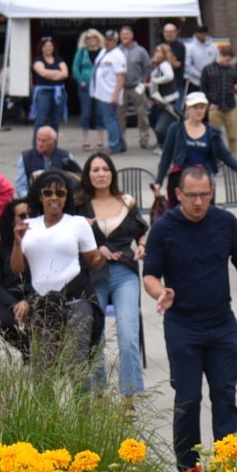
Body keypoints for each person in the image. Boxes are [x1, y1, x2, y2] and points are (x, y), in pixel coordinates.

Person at [141, 164, 237, 471]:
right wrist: (160, 293)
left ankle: (226, 466)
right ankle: (188, 470)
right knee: (188, 399)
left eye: (204, 195)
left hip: (222, 325)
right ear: (178, 194)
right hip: (183, 327)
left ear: (213, 193)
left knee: (225, 397)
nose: (198, 202)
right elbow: (150, 275)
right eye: (192, 195)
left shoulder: (225, 222)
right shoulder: (163, 229)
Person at [14, 170, 106, 364]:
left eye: (60, 193)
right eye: (48, 193)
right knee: (42, 367)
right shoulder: (28, 225)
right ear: (40, 197)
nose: (54, 197)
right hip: (42, 303)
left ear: (66, 197)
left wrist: (102, 255)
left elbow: (93, 261)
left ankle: (85, 395)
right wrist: (16, 242)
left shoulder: (78, 223)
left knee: (76, 362)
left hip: (75, 298)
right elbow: (17, 269)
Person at [78, 154, 149, 402]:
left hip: (124, 272)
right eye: (95, 169)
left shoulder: (127, 201)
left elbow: (142, 230)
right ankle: (98, 395)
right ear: (88, 174)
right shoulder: (79, 204)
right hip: (92, 274)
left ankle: (128, 396)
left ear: (112, 173)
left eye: (105, 169)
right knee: (94, 336)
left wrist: (142, 245)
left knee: (129, 335)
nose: (100, 174)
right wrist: (94, 248)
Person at [155, 93, 237, 196]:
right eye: (195, 107)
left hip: (204, 180)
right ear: (188, 109)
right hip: (181, 180)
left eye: (202, 107)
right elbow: (166, 157)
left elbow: (225, 155)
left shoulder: (211, 132)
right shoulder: (176, 129)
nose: (199, 111)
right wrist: (159, 181)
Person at [0, 197, 35, 353]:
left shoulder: (40, 243)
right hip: (6, 298)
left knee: (45, 317)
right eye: (22, 216)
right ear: (11, 220)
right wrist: (14, 304)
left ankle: (37, 352)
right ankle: (28, 352)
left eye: (31, 216)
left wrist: (28, 301)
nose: (27, 220)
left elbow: (46, 278)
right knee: (4, 321)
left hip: (35, 295)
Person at [16, 125, 81, 196]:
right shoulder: (25, 157)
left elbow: (75, 182)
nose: (40, 144)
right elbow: (21, 186)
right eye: (38, 140)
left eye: (44, 141)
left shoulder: (66, 157)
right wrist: (30, 199)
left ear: (54, 142)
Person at [92, 34, 129, 155]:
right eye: (106, 39)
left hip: (110, 93)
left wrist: (115, 94)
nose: (107, 42)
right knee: (111, 119)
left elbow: (121, 76)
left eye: (110, 40)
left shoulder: (118, 55)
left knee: (110, 120)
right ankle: (120, 143)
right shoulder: (103, 52)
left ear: (115, 41)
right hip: (101, 93)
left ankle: (114, 145)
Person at [72, 29, 105, 147]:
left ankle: (100, 140)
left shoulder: (103, 52)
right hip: (85, 86)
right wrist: (80, 81)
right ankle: (86, 140)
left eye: (94, 37)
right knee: (86, 112)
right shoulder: (81, 52)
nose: (91, 40)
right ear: (84, 40)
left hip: (100, 86)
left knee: (100, 112)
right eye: (88, 38)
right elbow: (75, 68)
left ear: (98, 38)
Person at [30, 37, 70, 130]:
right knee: (41, 120)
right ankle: (37, 144)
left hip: (58, 91)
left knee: (55, 121)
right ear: (41, 48)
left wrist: (49, 73)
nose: (48, 48)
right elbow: (42, 73)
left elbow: (65, 74)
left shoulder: (59, 59)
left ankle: (53, 144)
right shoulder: (38, 60)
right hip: (43, 92)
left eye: (50, 45)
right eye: (45, 46)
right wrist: (57, 72)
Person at [148, 43, 184, 147]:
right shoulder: (158, 65)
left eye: (158, 51)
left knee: (162, 125)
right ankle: (162, 143)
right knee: (154, 121)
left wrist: (155, 80)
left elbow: (169, 76)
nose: (155, 53)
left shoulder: (165, 65)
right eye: (155, 50)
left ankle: (165, 144)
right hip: (158, 99)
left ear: (164, 54)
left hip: (167, 99)